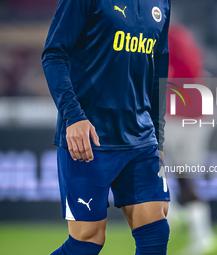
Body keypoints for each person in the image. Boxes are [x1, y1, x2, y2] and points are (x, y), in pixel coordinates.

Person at [41, 0, 171, 254]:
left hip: (142, 141)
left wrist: (158, 137)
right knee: (86, 243)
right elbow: (54, 54)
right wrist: (73, 117)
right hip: (89, 139)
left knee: (156, 233)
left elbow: (159, 71)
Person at [165, 24, 217, 255]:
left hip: (187, 115)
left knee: (182, 174)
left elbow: (189, 70)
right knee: (172, 169)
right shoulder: (175, 35)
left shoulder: (172, 36)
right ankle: (177, 214)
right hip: (184, 113)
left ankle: (181, 218)